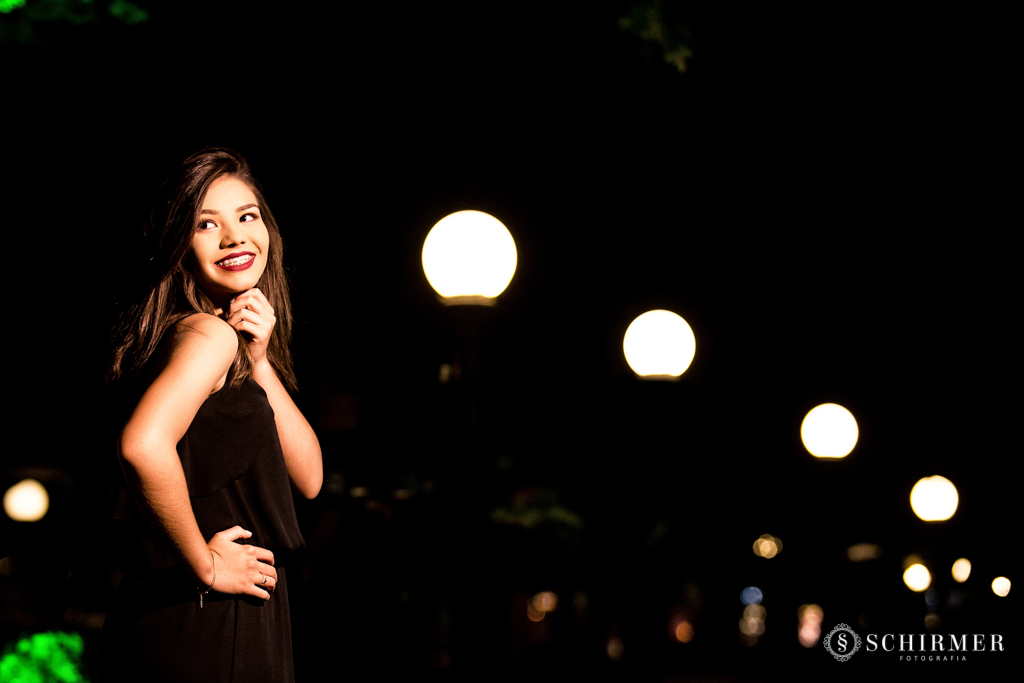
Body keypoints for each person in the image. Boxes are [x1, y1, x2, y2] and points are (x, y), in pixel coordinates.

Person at [103, 147, 322, 682]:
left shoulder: (210, 342)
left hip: (219, 612)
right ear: (179, 246)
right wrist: (204, 563)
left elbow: (310, 479)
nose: (235, 237)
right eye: (207, 223)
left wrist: (260, 362)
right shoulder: (206, 334)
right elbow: (141, 445)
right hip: (212, 617)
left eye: (247, 216)